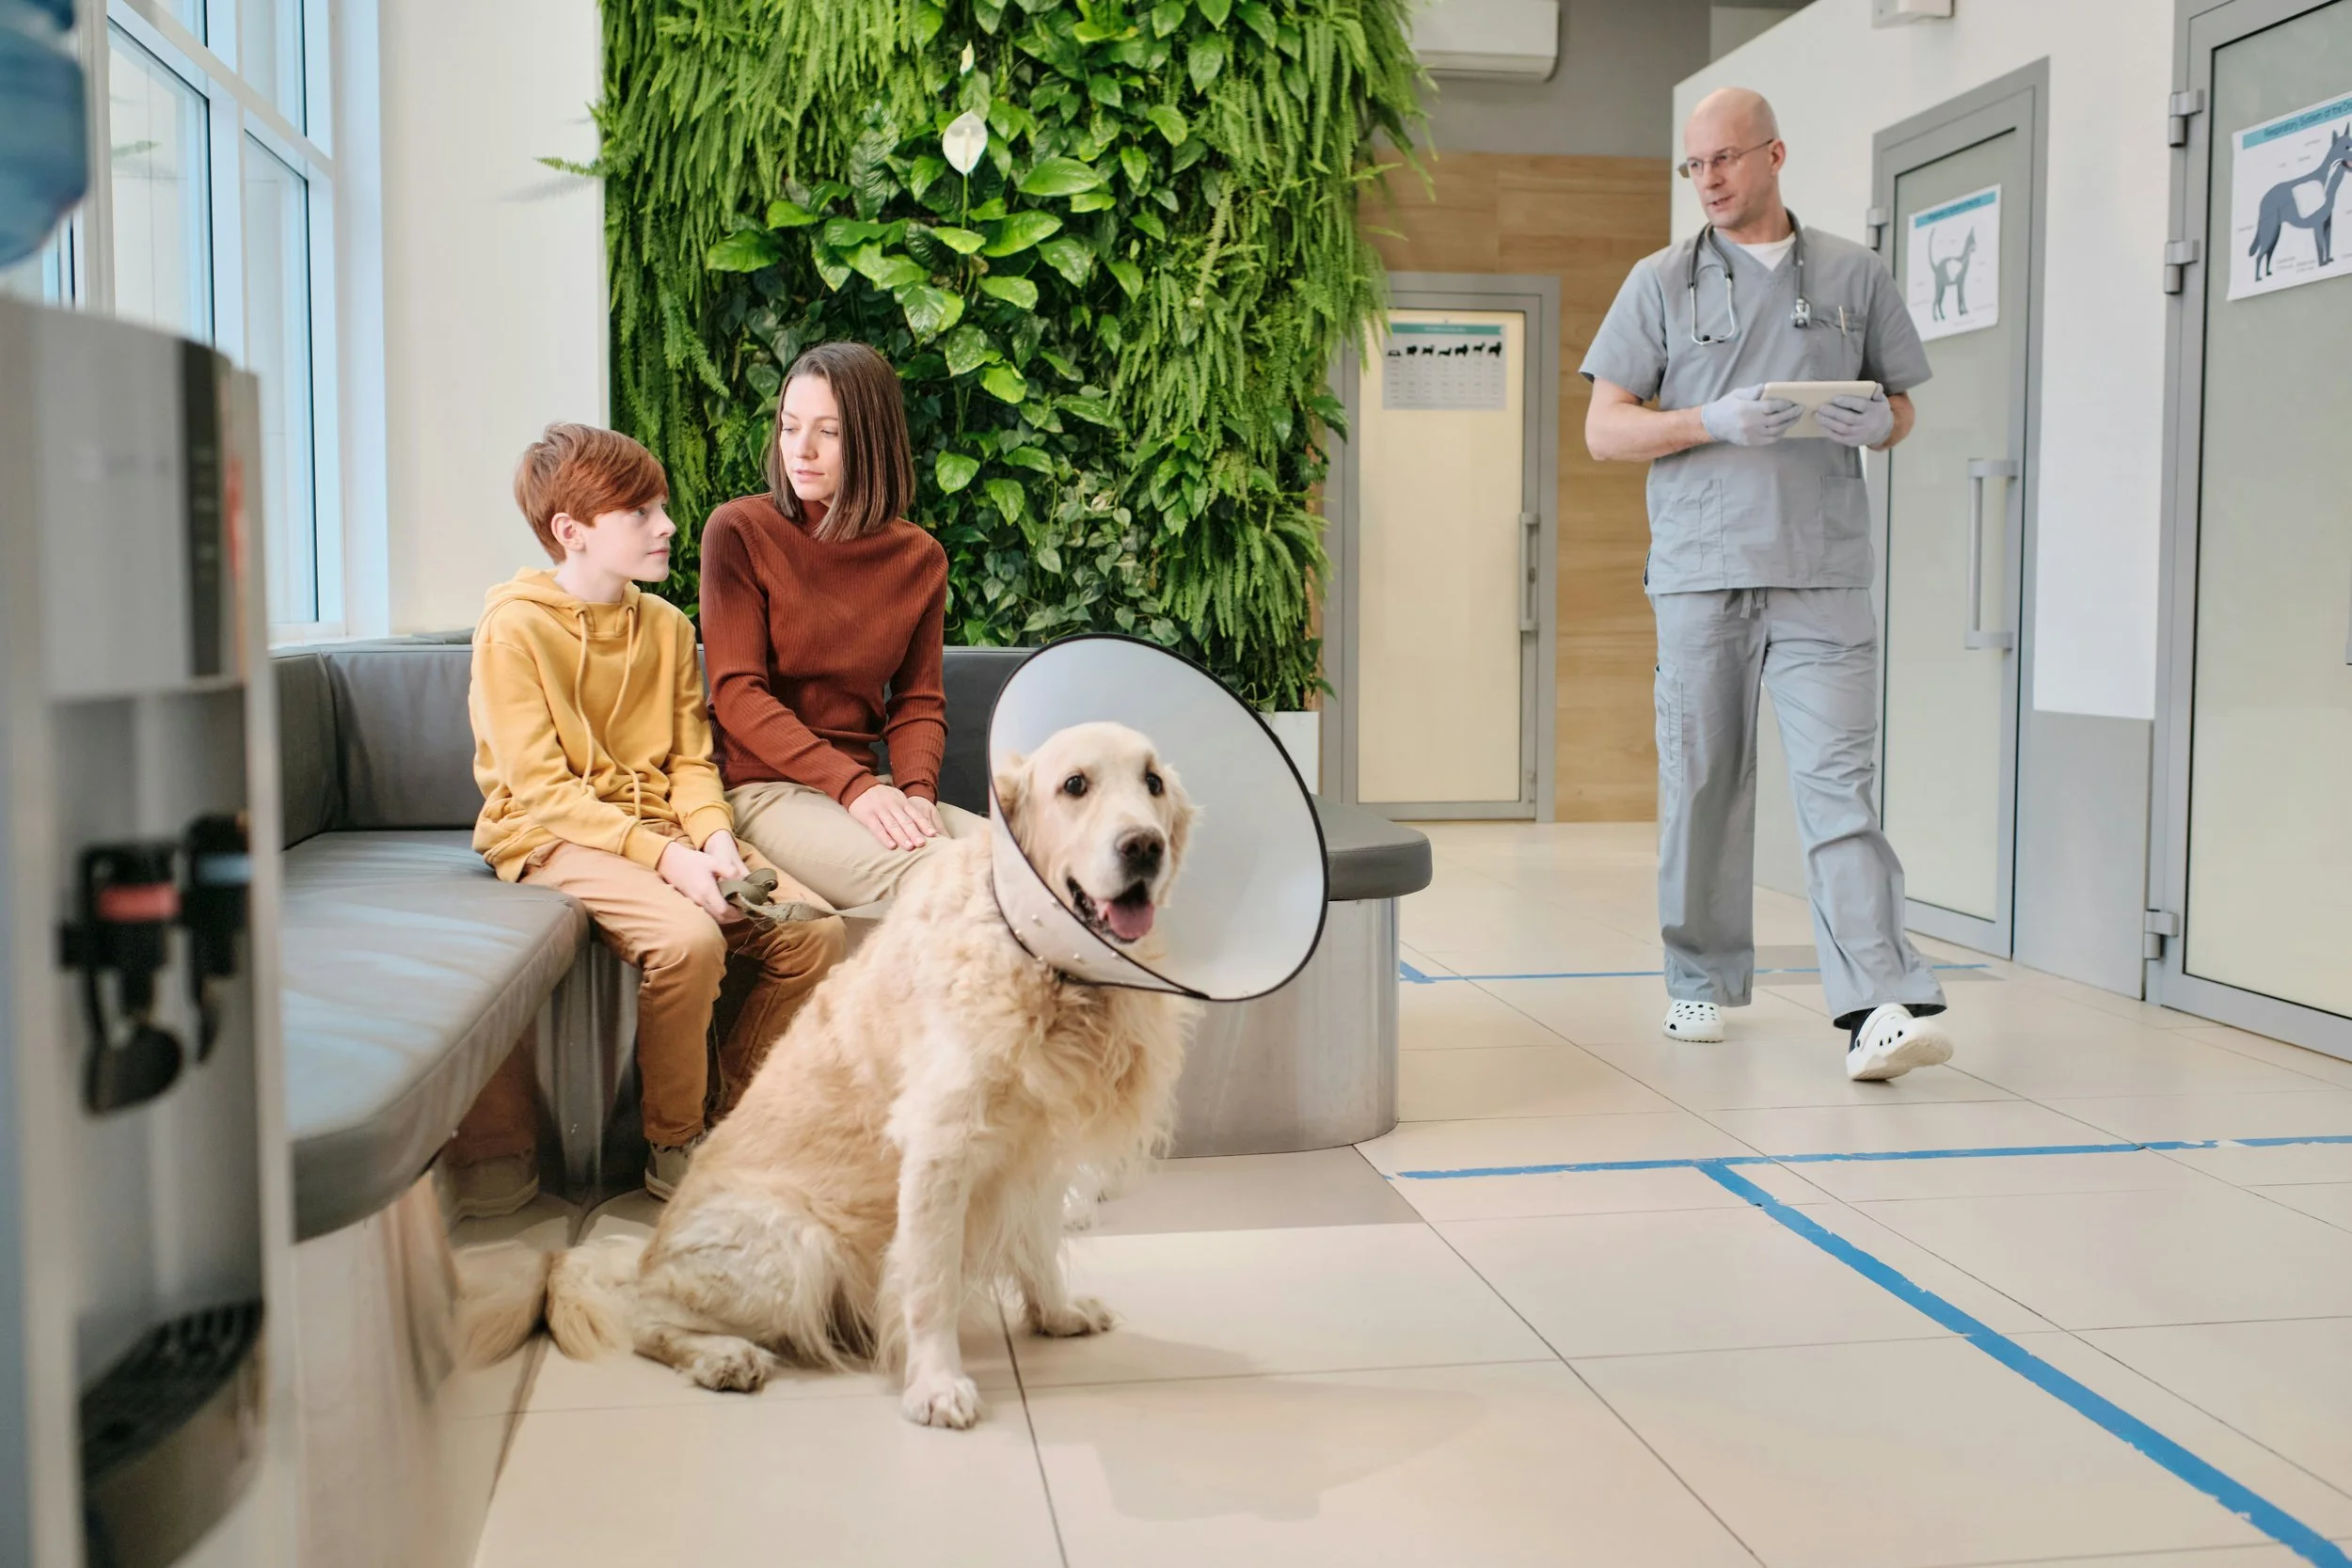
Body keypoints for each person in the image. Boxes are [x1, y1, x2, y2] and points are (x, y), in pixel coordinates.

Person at [1581, 87, 1955, 1082]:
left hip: (1821, 571)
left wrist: (1878, 423)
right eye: (1692, 165)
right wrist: (1709, 421)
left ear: (1774, 155)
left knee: (1841, 792)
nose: (1707, 179)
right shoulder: (1658, 281)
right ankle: (1697, 973)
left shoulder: (1851, 273)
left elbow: (1901, 404)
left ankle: (1878, 1004)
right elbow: (1603, 427)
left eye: (1725, 159)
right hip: (1702, 573)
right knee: (1704, 784)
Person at [469, 422, 845, 1199]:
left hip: (666, 829)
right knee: (688, 941)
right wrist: (669, 858)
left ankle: (739, 1125)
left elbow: (688, 762)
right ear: (570, 532)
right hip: (550, 835)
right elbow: (542, 789)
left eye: (660, 505)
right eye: (639, 512)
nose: (667, 524)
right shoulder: (513, 628)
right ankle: (673, 1144)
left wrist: (714, 840)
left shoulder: (669, 628)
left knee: (815, 933)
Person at [700, 341, 986, 911]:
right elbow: (737, 694)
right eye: (789, 427)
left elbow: (919, 701)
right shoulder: (739, 531)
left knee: (1043, 870)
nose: (800, 451)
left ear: (870, 440)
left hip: (862, 790)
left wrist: (917, 794)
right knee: (949, 881)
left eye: (827, 432)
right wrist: (856, 790)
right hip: (762, 789)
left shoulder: (920, 557)